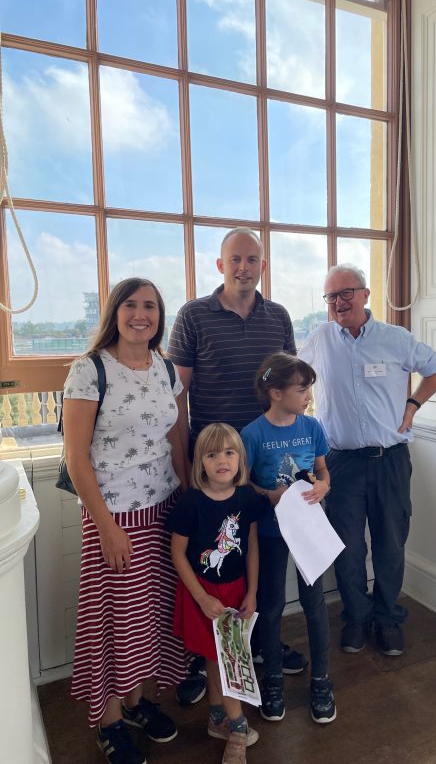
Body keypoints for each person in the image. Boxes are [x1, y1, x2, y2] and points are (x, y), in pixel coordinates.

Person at [167, 228, 307, 689]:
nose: (243, 267)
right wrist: (185, 462)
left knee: (260, 556)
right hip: (212, 463)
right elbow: (177, 394)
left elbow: (288, 387)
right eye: (235, 259)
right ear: (220, 265)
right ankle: (202, 657)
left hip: (266, 459)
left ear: (262, 266)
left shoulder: (279, 317)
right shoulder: (193, 316)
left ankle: (261, 642)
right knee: (211, 557)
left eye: (252, 259)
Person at [63, 278, 189, 764]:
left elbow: (178, 438)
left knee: (150, 616)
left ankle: (136, 704)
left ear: (161, 316)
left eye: (151, 307)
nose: (142, 315)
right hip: (113, 515)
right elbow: (76, 458)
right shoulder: (89, 370)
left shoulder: (166, 368)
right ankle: (109, 720)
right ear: (115, 312)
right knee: (114, 620)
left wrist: (188, 498)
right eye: (132, 305)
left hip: (163, 509)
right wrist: (108, 528)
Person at [299, 264, 436, 657]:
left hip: (391, 460)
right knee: (347, 548)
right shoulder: (318, 340)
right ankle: (357, 617)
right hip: (340, 463)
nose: (338, 302)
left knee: (390, 544)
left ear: (365, 294)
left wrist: (413, 404)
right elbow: (293, 381)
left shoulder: (395, 339)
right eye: (330, 296)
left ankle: (387, 618)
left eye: (345, 292)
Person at [241, 352, 336, 725]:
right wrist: (269, 495)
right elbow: (243, 483)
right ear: (276, 393)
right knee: (272, 604)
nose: (309, 395)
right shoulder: (253, 434)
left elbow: (322, 468)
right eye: (302, 388)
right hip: (270, 532)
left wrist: (325, 485)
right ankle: (275, 681)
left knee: (315, 603)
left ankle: (321, 679)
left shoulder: (312, 427)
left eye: (310, 387)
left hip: (310, 530)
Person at [167, 423, 267, 764]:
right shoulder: (190, 503)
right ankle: (237, 725)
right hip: (204, 595)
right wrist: (201, 598)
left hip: (236, 592)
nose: (222, 460)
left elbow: (251, 545)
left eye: (229, 452)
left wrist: (252, 592)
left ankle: (217, 718)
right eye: (212, 455)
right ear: (201, 463)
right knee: (222, 659)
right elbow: (177, 554)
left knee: (221, 658)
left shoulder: (247, 498)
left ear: (240, 459)